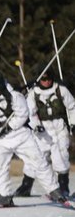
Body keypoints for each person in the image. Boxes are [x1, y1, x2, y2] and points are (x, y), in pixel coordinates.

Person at [0, 70, 64, 207]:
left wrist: (8, 127)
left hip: (20, 135)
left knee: (37, 161)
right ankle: (4, 195)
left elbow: (22, 114)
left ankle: (54, 190)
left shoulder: (15, 96)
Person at [19, 68, 75, 198]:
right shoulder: (33, 93)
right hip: (43, 130)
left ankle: (63, 188)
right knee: (37, 157)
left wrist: (73, 123)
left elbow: (72, 107)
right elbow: (30, 113)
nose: (46, 81)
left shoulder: (60, 89)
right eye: (43, 79)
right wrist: (36, 126)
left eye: (48, 78)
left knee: (61, 156)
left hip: (60, 127)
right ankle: (25, 186)